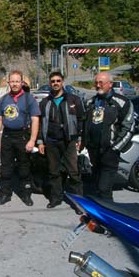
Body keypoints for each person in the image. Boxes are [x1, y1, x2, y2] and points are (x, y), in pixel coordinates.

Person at [83, 71, 134, 201]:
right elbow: (85, 124)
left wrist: (115, 148)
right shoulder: (91, 102)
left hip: (109, 151)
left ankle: (109, 215)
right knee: (96, 184)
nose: (98, 85)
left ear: (110, 84)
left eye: (101, 82)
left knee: (104, 188)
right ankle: (98, 214)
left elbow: (129, 128)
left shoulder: (122, 102)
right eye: (96, 83)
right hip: (94, 150)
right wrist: (84, 142)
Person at [37, 72, 84, 209]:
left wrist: (80, 138)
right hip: (51, 141)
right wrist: (40, 141)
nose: (55, 83)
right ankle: (56, 198)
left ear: (62, 82)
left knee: (73, 171)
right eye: (53, 81)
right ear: (50, 83)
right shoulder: (45, 102)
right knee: (53, 172)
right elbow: (39, 123)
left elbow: (81, 120)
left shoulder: (73, 100)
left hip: (69, 140)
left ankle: (79, 203)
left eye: (58, 80)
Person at [0, 70, 40, 206]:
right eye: (12, 81)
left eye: (17, 81)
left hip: (22, 135)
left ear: (22, 82)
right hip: (7, 135)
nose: (14, 84)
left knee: (24, 167)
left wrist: (32, 140)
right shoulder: (3, 99)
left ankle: (26, 194)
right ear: (8, 83)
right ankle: (5, 194)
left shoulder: (28, 99)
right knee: (5, 167)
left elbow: (35, 120)